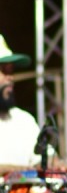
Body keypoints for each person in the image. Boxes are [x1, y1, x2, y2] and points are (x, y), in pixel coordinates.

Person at [0, 34, 44, 170]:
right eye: (4, 70)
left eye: (11, 71)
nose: (10, 77)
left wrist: (57, 165)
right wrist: (16, 171)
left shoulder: (24, 121)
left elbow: (43, 160)